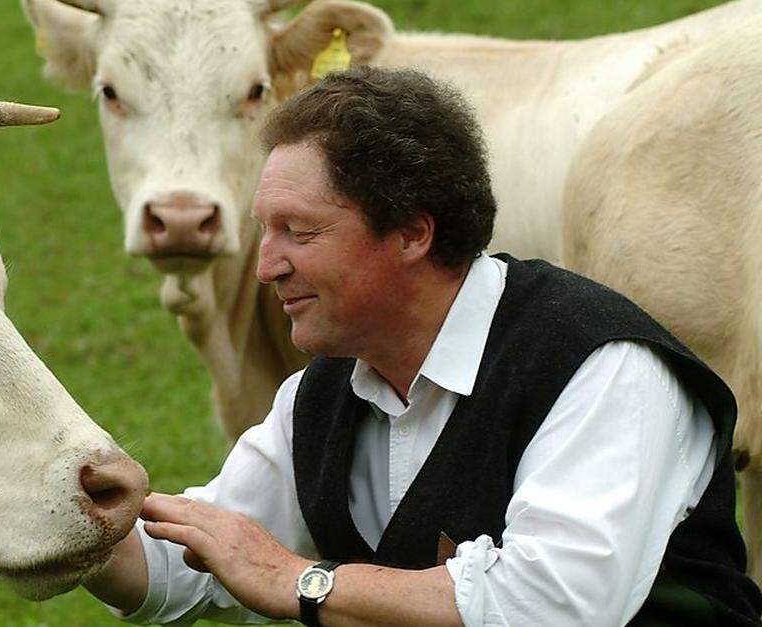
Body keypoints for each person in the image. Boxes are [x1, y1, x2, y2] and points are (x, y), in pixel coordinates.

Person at [82, 66, 762, 626]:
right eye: (265, 229)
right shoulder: (321, 396)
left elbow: (554, 604)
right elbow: (184, 565)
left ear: (413, 232)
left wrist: (300, 580)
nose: (266, 266)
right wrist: (64, 517)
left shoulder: (600, 364)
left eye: (300, 231)